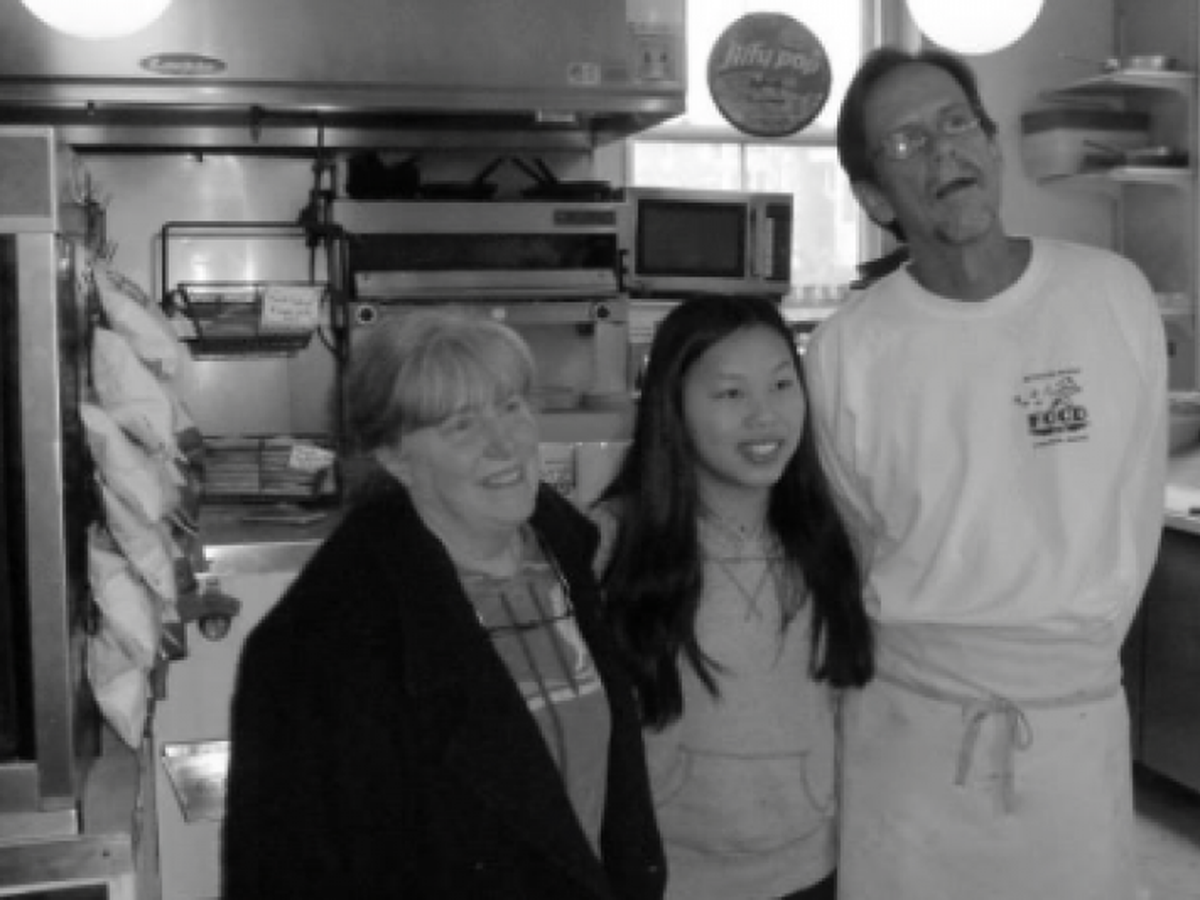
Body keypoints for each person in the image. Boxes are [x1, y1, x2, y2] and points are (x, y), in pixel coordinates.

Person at [804, 46, 1168, 900]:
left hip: (1072, 722)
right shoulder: (848, 349)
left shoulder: (1111, 296)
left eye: (956, 122)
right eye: (906, 142)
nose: (943, 151)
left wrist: (1052, 660)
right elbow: (854, 541)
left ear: (993, 144)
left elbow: (1132, 501)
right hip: (911, 733)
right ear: (874, 198)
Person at [221, 308, 666, 900]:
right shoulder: (323, 641)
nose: (504, 443)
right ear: (394, 458)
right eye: (462, 426)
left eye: (511, 406)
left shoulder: (569, 562)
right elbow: (283, 873)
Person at [592, 294, 874, 900]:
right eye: (730, 393)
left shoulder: (833, 536)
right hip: (665, 876)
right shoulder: (613, 543)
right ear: (673, 406)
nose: (765, 415)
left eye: (782, 385)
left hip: (809, 867)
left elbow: (847, 700)